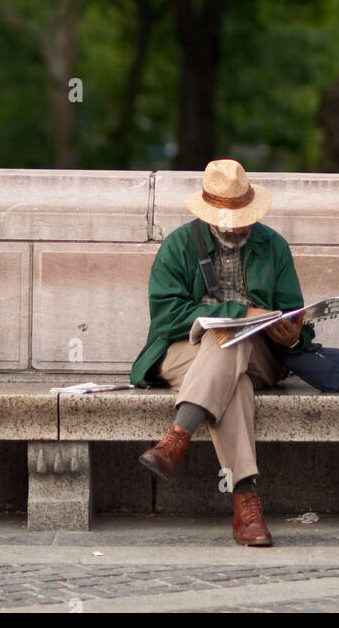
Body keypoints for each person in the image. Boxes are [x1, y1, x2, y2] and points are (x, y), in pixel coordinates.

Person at [129, 158, 314, 546]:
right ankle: (246, 503)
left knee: (233, 339)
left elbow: (295, 317)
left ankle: (176, 439)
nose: (237, 225)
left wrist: (292, 337)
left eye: (243, 217)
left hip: (259, 356)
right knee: (232, 373)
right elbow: (166, 318)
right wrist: (238, 313)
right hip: (185, 353)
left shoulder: (274, 246)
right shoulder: (179, 245)